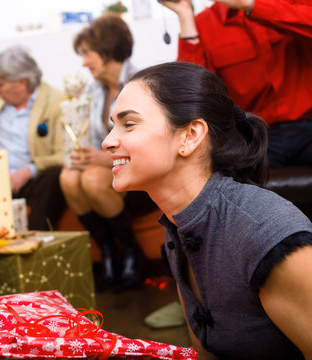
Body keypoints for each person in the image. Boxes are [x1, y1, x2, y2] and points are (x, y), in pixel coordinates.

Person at [103, 61, 312, 359]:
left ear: (190, 136)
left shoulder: (266, 233)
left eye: (129, 124)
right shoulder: (178, 224)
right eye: (112, 125)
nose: (108, 141)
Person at [59, 14, 157, 291]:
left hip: (138, 167)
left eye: (87, 53)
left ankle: (130, 250)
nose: (84, 61)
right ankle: (109, 252)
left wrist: (104, 158)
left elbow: (148, 141)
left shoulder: (141, 84)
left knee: (90, 180)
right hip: (110, 167)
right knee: (68, 176)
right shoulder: (94, 90)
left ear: (107, 49)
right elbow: (90, 138)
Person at [159, 0, 312, 169]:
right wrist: (185, 15)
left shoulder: (295, 4)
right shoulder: (205, 23)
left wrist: (251, 5)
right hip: (256, 135)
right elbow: (193, 92)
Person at [0, 46, 67, 231]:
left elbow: (64, 154)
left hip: (33, 180)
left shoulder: (57, 102)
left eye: (0, 83)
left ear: (22, 82)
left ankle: (39, 238)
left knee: (53, 176)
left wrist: (28, 171)